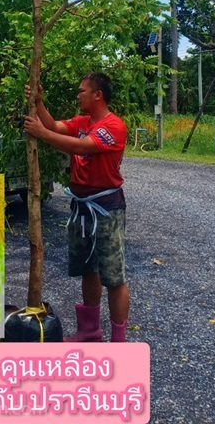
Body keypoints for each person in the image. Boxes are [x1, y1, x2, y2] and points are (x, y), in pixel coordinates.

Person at [24, 72, 129, 342]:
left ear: (98, 95)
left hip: (106, 206)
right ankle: (90, 330)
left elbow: (82, 147)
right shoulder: (83, 121)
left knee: (114, 276)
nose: (78, 95)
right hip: (82, 206)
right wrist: (39, 102)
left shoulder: (113, 126)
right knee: (88, 268)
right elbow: (55, 126)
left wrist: (42, 134)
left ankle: (119, 342)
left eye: (82, 91)